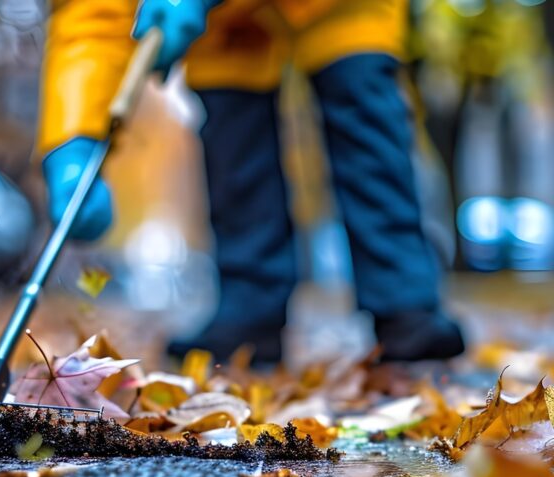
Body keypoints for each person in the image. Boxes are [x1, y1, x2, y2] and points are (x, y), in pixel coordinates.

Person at [39, 0, 465, 363]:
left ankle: (405, 305)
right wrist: (75, 142)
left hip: (339, 6)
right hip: (230, 25)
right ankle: (249, 315)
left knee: (363, 112)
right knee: (235, 145)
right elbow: (90, 19)